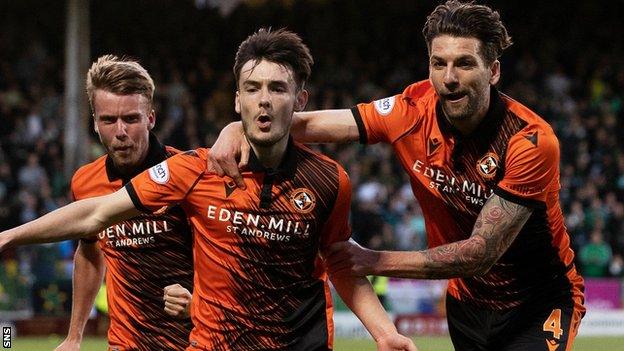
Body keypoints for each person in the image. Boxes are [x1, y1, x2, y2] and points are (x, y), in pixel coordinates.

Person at [0, 29, 416, 351]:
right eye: (253, 89)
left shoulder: (330, 180)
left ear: (300, 99)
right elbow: (94, 215)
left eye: (278, 88)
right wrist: (11, 235)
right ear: (237, 101)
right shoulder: (193, 171)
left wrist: (384, 332)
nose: (264, 101)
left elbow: (340, 263)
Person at [208, 2, 586, 350]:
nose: (449, 78)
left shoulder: (530, 141)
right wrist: (238, 127)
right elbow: (312, 123)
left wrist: (372, 261)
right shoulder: (410, 111)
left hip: (541, 302)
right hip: (467, 305)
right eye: (438, 64)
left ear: (494, 71)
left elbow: (480, 253)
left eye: (465, 64)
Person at [54, 55, 194, 351]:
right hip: (124, 343)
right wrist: (74, 336)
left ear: (151, 119)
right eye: (108, 120)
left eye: (131, 119)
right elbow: (89, 253)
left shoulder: (189, 175)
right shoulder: (85, 182)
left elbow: (224, 256)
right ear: (95, 123)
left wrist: (199, 300)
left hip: (192, 341)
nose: (120, 132)